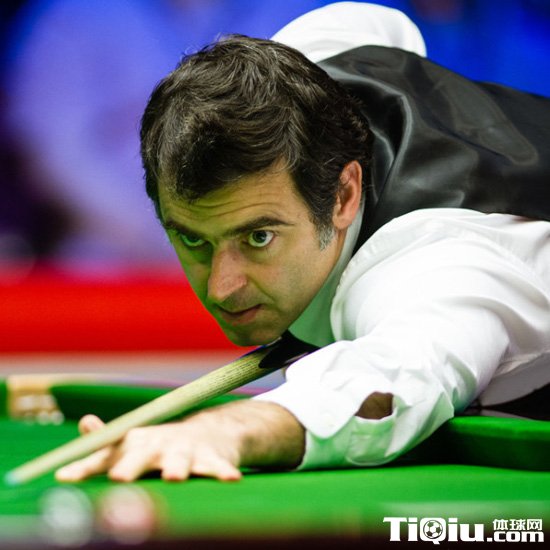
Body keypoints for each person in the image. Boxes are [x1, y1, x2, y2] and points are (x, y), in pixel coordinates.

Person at [56, 2, 550, 483]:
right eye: (192, 239)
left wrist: (225, 432)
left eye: (259, 237)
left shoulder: (438, 268)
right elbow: (377, 25)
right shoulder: (309, 68)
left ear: (344, 195)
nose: (223, 287)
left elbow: (395, 379)